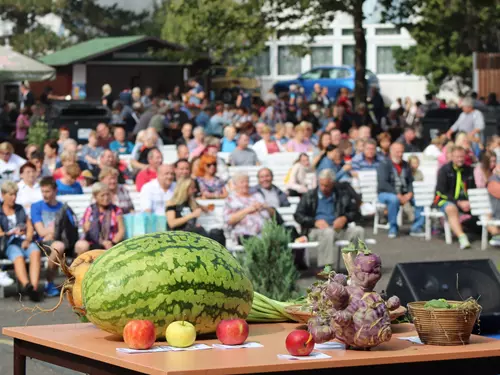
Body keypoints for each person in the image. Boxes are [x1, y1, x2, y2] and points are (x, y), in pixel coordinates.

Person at [294, 169, 364, 269]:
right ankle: (325, 268)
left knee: (358, 231)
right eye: (321, 184)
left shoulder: (342, 194)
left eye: (326, 185)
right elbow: (298, 215)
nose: (323, 188)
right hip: (316, 230)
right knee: (328, 232)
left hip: (338, 229)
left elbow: (356, 213)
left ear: (333, 183)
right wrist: (314, 222)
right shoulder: (309, 195)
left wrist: (345, 218)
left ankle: (357, 267)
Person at [31, 177, 74, 297]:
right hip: (43, 243)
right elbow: (40, 231)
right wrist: (55, 231)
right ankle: (49, 283)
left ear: (55, 191)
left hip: (62, 240)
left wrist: (52, 232)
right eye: (43, 191)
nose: (45, 195)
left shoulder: (63, 207)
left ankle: (77, 284)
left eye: (48, 191)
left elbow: (69, 228)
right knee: (58, 246)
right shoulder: (36, 206)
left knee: (81, 245)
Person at [0, 181, 41, 301]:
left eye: (15, 195)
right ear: (3, 195)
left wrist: (28, 239)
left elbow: (29, 226)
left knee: (35, 252)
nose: (13, 198)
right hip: (8, 242)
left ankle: (33, 288)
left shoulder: (20, 208)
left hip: (23, 240)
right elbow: (1, 233)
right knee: (18, 256)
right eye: (10, 195)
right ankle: (26, 285)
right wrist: (10, 233)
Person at [377, 142, 424, 238]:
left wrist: (410, 193)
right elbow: (383, 183)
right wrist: (397, 194)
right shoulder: (384, 164)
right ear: (391, 152)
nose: (400, 154)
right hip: (386, 193)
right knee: (394, 199)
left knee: (421, 200)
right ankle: (393, 227)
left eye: (402, 152)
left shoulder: (406, 165)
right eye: (397, 152)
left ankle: (416, 227)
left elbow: (410, 181)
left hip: (404, 192)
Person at [434, 146, 476, 249]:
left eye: (462, 156)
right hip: (446, 200)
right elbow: (441, 191)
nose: (460, 159)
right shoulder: (444, 170)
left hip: (466, 201)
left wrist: (469, 201)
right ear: (452, 157)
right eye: (457, 157)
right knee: (451, 208)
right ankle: (462, 237)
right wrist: (458, 202)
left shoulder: (469, 170)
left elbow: (472, 188)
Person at [166, 178, 224, 245]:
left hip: (191, 235)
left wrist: (209, 203)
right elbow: (172, 223)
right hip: (177, 236)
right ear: (185, 189)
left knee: (217, 233)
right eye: (193, 188)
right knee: (201, 231)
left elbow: (206, 209)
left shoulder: (192, 202)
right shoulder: (172, 203)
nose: (195, 190)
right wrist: (192, 215)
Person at [75, 183, 125, 254]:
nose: (106, 198)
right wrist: (87, 227)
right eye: (102, 195)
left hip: (111, 243)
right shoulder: (90, 209)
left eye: (108, 194)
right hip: (94, 242)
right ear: (95, 197)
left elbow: (121, 231)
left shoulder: (116, 210)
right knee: (81, 245)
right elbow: (85, 228)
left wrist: (112, 243)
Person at [224, 173, 273, 244]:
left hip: (265, 232)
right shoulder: (231, 199)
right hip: (244, 234)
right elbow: (229, 220)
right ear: (235, 185)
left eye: (247, 181)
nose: (245, 184)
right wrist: (248, 210)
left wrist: (264, 206)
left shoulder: (257, 196)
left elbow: (272, 213)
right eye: (242, 182)